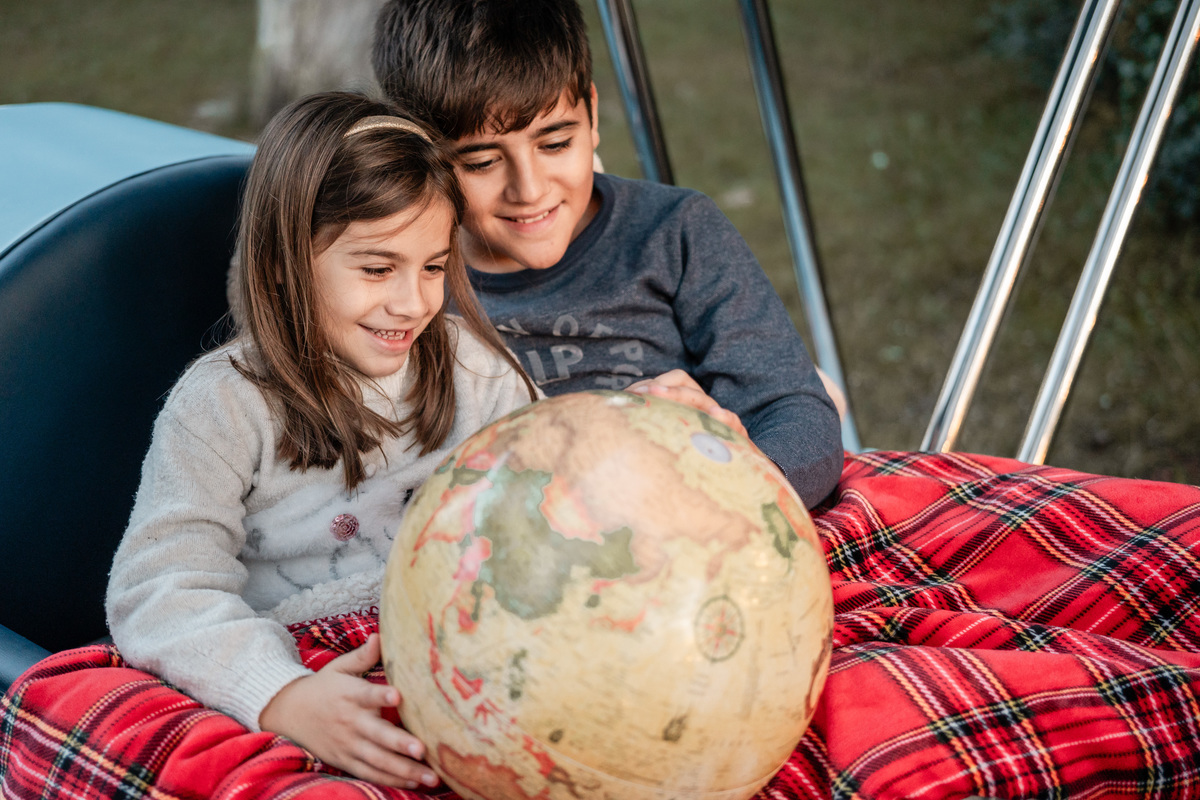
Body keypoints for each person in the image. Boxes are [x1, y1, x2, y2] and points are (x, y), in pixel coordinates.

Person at [105, 91, 537, 791]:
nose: (414, 302)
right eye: (378, 268)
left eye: (432, 266)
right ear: (284, 261)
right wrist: (283, 696)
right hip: (291, 675)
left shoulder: (478, 373)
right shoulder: (223, 404)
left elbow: (546, 509)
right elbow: (161, 586)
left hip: (454, 655)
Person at [371, 0, 844, 509]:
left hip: (699, 510)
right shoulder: (410, 282)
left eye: (555, 144)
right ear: (416, 154)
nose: (529, 190)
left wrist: (738, 482)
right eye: (482, 162)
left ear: (592, 115)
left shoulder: (674, 231)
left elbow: (798, 416)